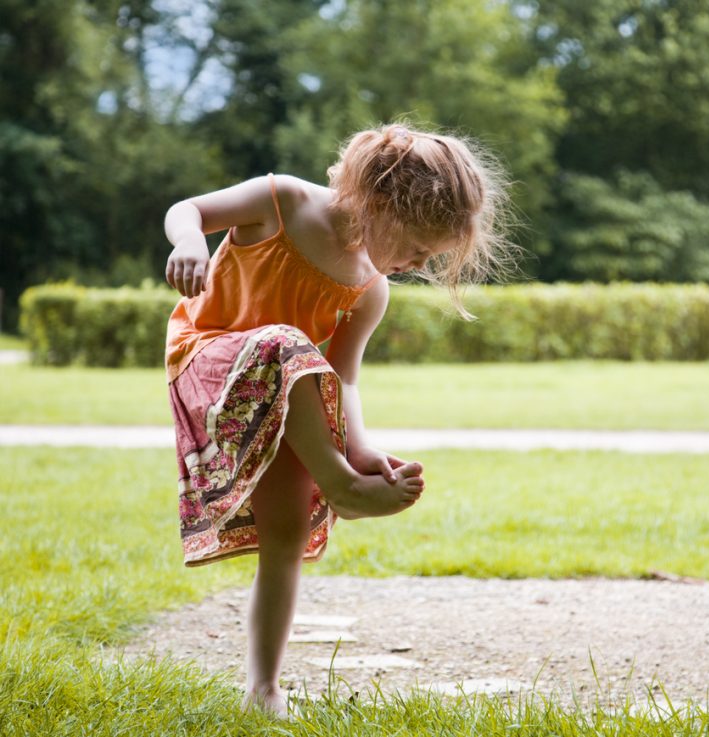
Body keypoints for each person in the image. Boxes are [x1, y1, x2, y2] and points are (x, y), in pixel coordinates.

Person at [163, 122, 513, 716]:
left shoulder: (370, 289)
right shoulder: (284, 201)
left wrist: (360, 448)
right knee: (285, 342)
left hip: (288, 392)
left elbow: (341, 379)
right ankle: (343, 489)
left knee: (287, 534)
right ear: (382, 203)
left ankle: (263, 688)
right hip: (209, 361)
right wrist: (190, 243)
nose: (414, 264)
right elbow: (186, 209)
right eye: (417, 248)